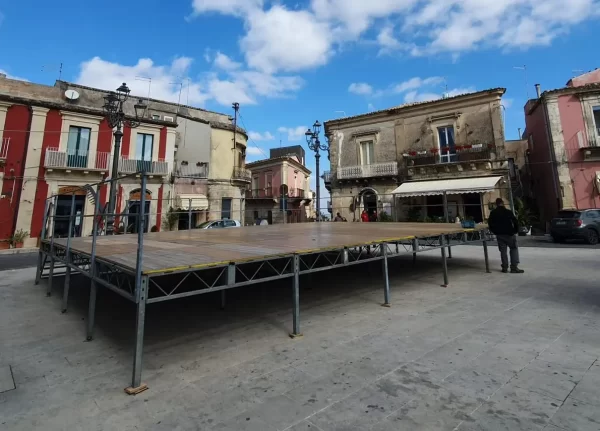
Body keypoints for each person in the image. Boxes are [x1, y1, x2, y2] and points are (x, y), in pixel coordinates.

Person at [487, 198, 524, 273]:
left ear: (496, 204)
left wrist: (495, 232)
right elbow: (515, 222)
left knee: (503, 251)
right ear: (502, 203)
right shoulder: (508, 212)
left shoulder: (493, 213)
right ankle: (514, 267)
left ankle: (505, 267)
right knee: (513, 249)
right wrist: (515, 231)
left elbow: (490, 224)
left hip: (499, 234)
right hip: (509, 234)